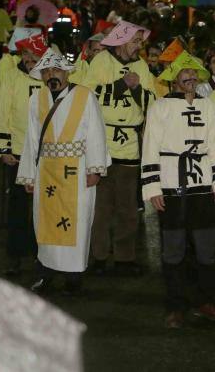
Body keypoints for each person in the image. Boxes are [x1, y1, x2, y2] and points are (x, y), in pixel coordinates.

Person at [141, 52, 215, 327]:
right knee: (174, 249)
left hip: (202, 183)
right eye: (185, 73)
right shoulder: (160, 107)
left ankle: (205, 300)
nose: (190, 78)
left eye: (194, 73)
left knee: (206, 248)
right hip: (170, 182)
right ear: (175, 77)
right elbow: (150, 147)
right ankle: (175, 305)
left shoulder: (207, 106)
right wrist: (152, 187)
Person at [16, 51, 109, 295]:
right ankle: (45, 272)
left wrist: (95, 167)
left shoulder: (85, 96)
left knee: (77, 223)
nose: (51, 75)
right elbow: (32, 138)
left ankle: (74, 276)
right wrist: (29, 174)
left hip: (77, 168)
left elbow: (96, 133)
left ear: (67, 72)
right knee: (45, 221)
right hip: (47, 169)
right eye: (46, 71)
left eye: (56, 70)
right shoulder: (37, 99)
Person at [84, 20, 156, 276]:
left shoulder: (142, 66)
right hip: (102, 143)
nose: (139, 46)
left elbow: (152, 101)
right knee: (101, 207)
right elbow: (87, 95)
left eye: (140, 42)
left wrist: (136, 87)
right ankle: (99, 257)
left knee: (127, 208)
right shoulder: (102, 61)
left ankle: (125, 258)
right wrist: (122, 85)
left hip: (129, 146)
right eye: (136, 41)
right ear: (123, 40)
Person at [0, 33, 50, 276]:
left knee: (45, 205)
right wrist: (3, 148)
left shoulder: (51, 80)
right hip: (18, 152)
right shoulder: (12, 78)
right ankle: (15, 256)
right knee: (18, 207)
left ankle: (44, 256)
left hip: (47, 153)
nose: (29, 59)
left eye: (34, 55)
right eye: (26, 54)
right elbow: (2, 112)